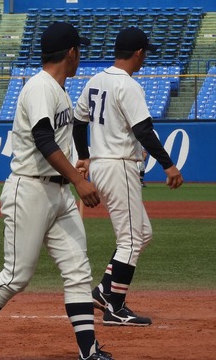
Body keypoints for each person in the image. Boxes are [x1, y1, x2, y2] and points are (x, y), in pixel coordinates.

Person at [0, 22, 113, 360]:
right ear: (71, 52)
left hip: (57, 193)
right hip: (30, 190)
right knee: (16, 275)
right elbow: (42, 139)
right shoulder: (41, 86)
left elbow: (53, 140)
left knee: (78, 270)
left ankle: (89, 350)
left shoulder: (58, 89)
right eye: (78, 49)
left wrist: (74, 166)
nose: (80, 55)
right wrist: (79, 180)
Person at [73, 26, 183, 327]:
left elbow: (78, 121)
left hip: (103, 163)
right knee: (132, 239)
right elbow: (143, 130)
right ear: (138, 53)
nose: (145, 58)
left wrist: (84, 155)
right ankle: (115, 307)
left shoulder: (95, 79)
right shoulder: (128, 85)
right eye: (145, 52)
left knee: (141, 234)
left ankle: (104, 291)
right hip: (119, 164)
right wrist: (168, 165)